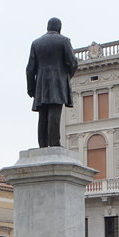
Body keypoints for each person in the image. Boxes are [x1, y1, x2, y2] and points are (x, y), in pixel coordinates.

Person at [26, 17, 78, 148]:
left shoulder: (36, 43)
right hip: (58, 81)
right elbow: (73, 63)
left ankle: (42, 144)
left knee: (42, 114)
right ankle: (54, 143)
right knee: (54, 111)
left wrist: (31, 88)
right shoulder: (64, 41)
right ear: (59, 28)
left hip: (41, 84)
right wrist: (66, 76)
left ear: (47, 27)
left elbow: (30, 68)